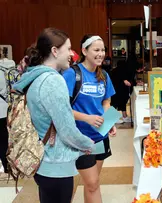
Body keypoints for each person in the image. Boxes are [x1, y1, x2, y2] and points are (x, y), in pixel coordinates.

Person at [13, 28, 95, 203]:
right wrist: (87, 144)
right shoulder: (53, 81)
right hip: (56, 162)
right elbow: (66, 129)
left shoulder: (34, 77)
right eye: (68, 49)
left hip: (43, 160)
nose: (72, 55)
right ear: (55, 51)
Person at [62, 34, 116, 203]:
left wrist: (108, 120)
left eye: (103, 50)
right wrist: (87, 118)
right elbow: (61, 109)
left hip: (100, 137)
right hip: (80, 138)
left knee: (91, 184)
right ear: (84, 51)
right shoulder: (72, 74)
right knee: (92, 183)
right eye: (96, 50)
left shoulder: (104, 75)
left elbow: (106, 100)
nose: (101, 54)